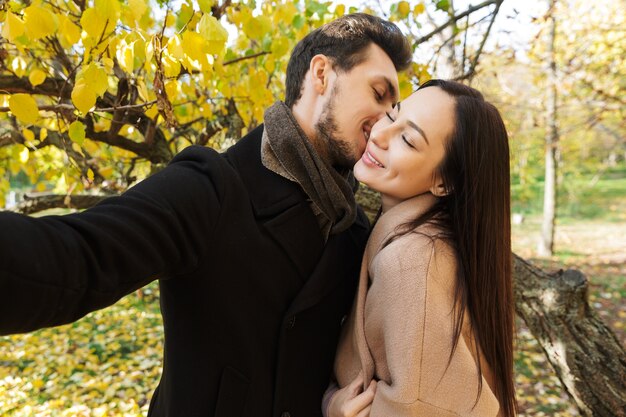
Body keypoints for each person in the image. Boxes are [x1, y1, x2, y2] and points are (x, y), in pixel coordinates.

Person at [0, 14, 412, 417]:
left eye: (395, 110)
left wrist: (332, 404)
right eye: (379, 94)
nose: (385, 124)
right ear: (321, 74)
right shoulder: (212, 187)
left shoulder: (355, 232)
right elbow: (76, 259)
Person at [323, 80, 517, 417]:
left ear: (444, 182)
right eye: (393, 114)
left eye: (408, 139)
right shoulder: (430, 241)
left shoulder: (411, 262)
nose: (380, 134)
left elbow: (421, 407)